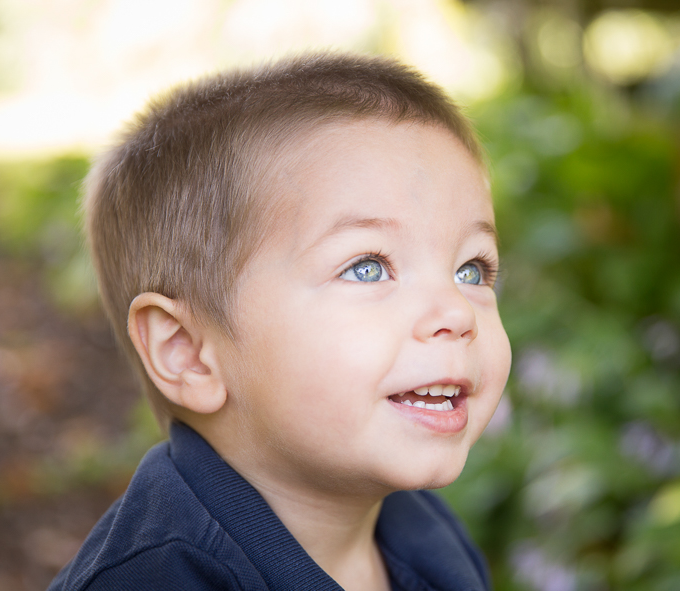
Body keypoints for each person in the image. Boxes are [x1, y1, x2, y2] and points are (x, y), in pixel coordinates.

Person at [49, 52, 510, 591]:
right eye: (367, 268)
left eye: (471, 269)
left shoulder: (427, 538)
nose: (456, 312)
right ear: (188, 352)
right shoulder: (154, 579)